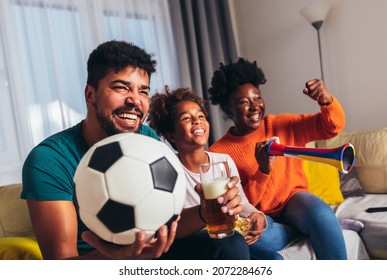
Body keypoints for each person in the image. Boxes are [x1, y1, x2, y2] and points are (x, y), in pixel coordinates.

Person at [21, 40, 250, 260]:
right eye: (121, 87)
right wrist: (115, 258)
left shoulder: (144, 138)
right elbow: (60, 263)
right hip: (97, 265)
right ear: (90, 95)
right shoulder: (49, 159)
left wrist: (205, 211)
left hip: (150, 257)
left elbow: (167, 226)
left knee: (231, 245)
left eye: (143, 91)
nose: (135, 101)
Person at [207, 57, 348, 260]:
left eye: (257, 98)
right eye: (243, 102)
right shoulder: (218, 152)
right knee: (242, 238)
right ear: (229, 110)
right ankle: (300, 230)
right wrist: (263, 171)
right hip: (257, 216)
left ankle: (311, 227)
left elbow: (332, 127)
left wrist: (326, 100)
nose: (254, 106)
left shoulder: (282, 124)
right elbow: (245, 204)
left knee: (321, 214)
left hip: (294, 202)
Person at [148, 86, 283, 260]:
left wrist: (258, 216)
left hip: (229, 234)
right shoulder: (167, 168)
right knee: (233, 244)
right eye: (186, 118)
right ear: (172, 136)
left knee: (275, 260)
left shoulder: (224, 161)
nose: (197, 121)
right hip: (192, 242)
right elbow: (166, 226)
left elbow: (241, 203)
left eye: (201, 116)